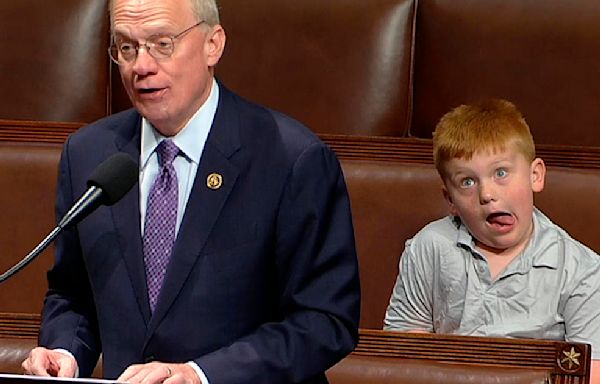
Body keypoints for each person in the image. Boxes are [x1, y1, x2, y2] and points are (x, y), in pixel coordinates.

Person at [21, 0, 361, 383]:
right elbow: (72, 294)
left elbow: (325, 321)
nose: (141, 66)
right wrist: (65, 350)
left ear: (212, 44)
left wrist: (201, 375)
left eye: (162, 43)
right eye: (126, 48)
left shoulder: (291, 159)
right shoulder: (88, 155)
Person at [383, 99, 600, 382]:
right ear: (450, 200)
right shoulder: (430, 247)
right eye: (467, 182)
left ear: (535, 176)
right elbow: (403, 351)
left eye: (501, 173)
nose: (487, 194)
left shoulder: (581, 270)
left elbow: (590, 373)